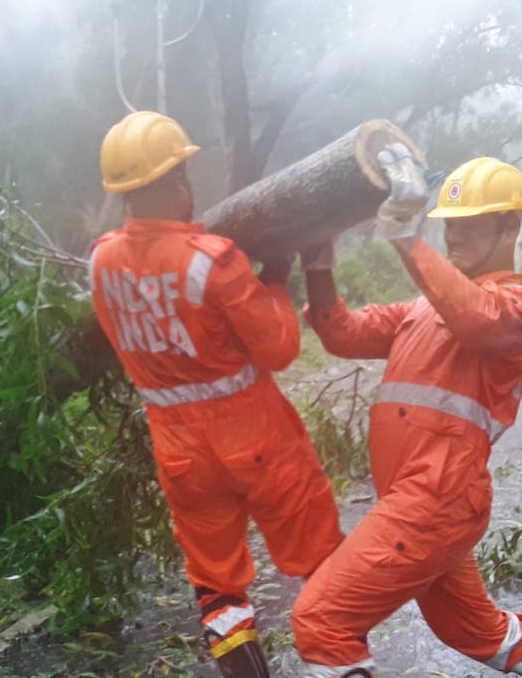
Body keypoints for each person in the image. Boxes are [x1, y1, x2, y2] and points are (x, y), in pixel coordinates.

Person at [291, 151, 522, 678]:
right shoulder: (426, 307)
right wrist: (318, 263)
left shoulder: (520, 305)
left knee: (322, 620)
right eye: (448, 224)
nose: (453, 236)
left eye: (469, 224)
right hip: (423, 499)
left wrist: (407, 237)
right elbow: (341, 333)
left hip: (434, 498)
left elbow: (477, 319)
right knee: (475, 631)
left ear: (510, 225)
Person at [89, 111, 344, 678]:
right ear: (174, 180)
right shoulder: (211, 260)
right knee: (321, 558)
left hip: (177, 448)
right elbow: (278, 347)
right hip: (254, 435)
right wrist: (275, 277)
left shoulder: (101, 261)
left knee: (216, 582)